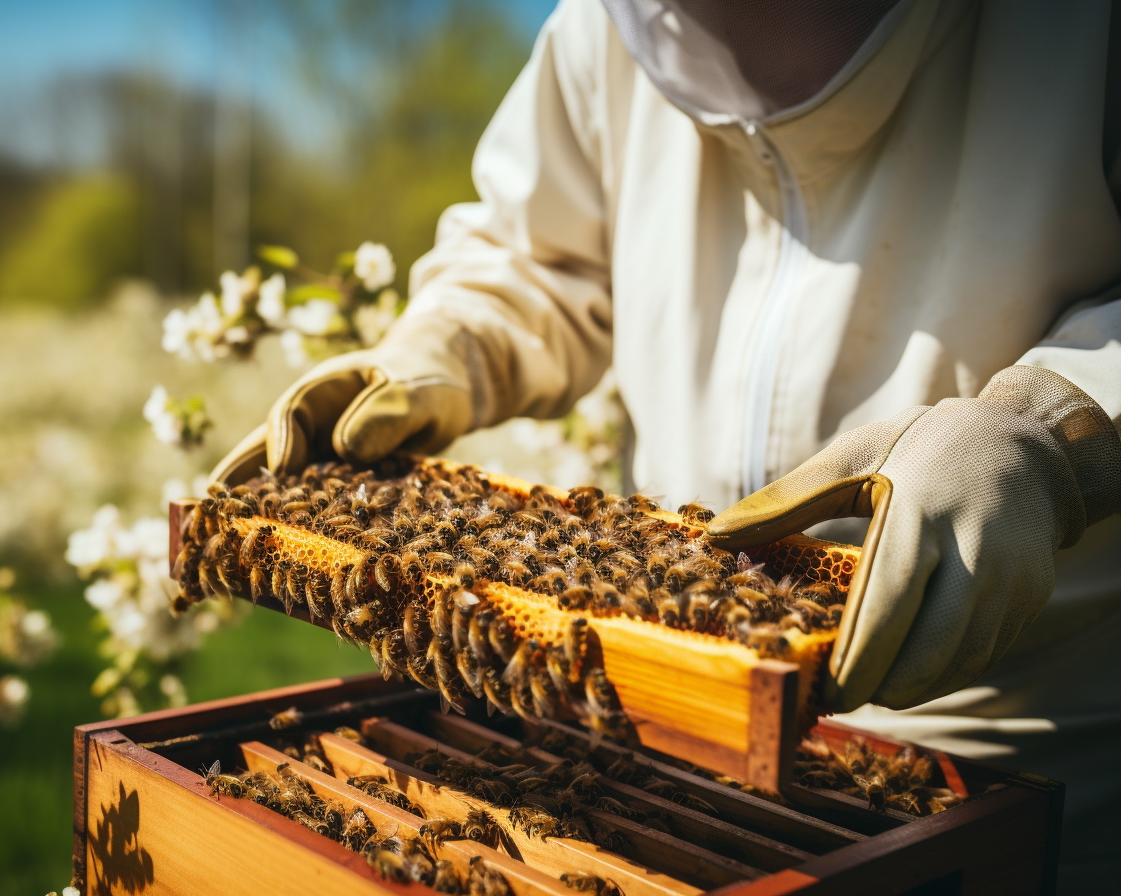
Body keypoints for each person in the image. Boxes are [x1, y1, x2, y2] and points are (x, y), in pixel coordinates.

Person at [215, 0, 1121, 888]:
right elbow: (537, 258)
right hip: (647, 715)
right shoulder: (596, 30)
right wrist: (446, 344)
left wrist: (1051, 429)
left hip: (1015, 746)